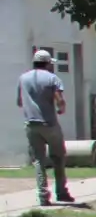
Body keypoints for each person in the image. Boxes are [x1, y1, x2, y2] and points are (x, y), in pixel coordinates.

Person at [18, 50, 73, 206]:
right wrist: (61, 109)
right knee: (58, 157)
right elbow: (59, 99)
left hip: (30, 124)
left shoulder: (23, 78)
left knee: (39, 160)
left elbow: (20, 102)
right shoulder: (52, 78)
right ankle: (61, 192)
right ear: (47, 63)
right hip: (49, 123)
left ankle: (43, 196)